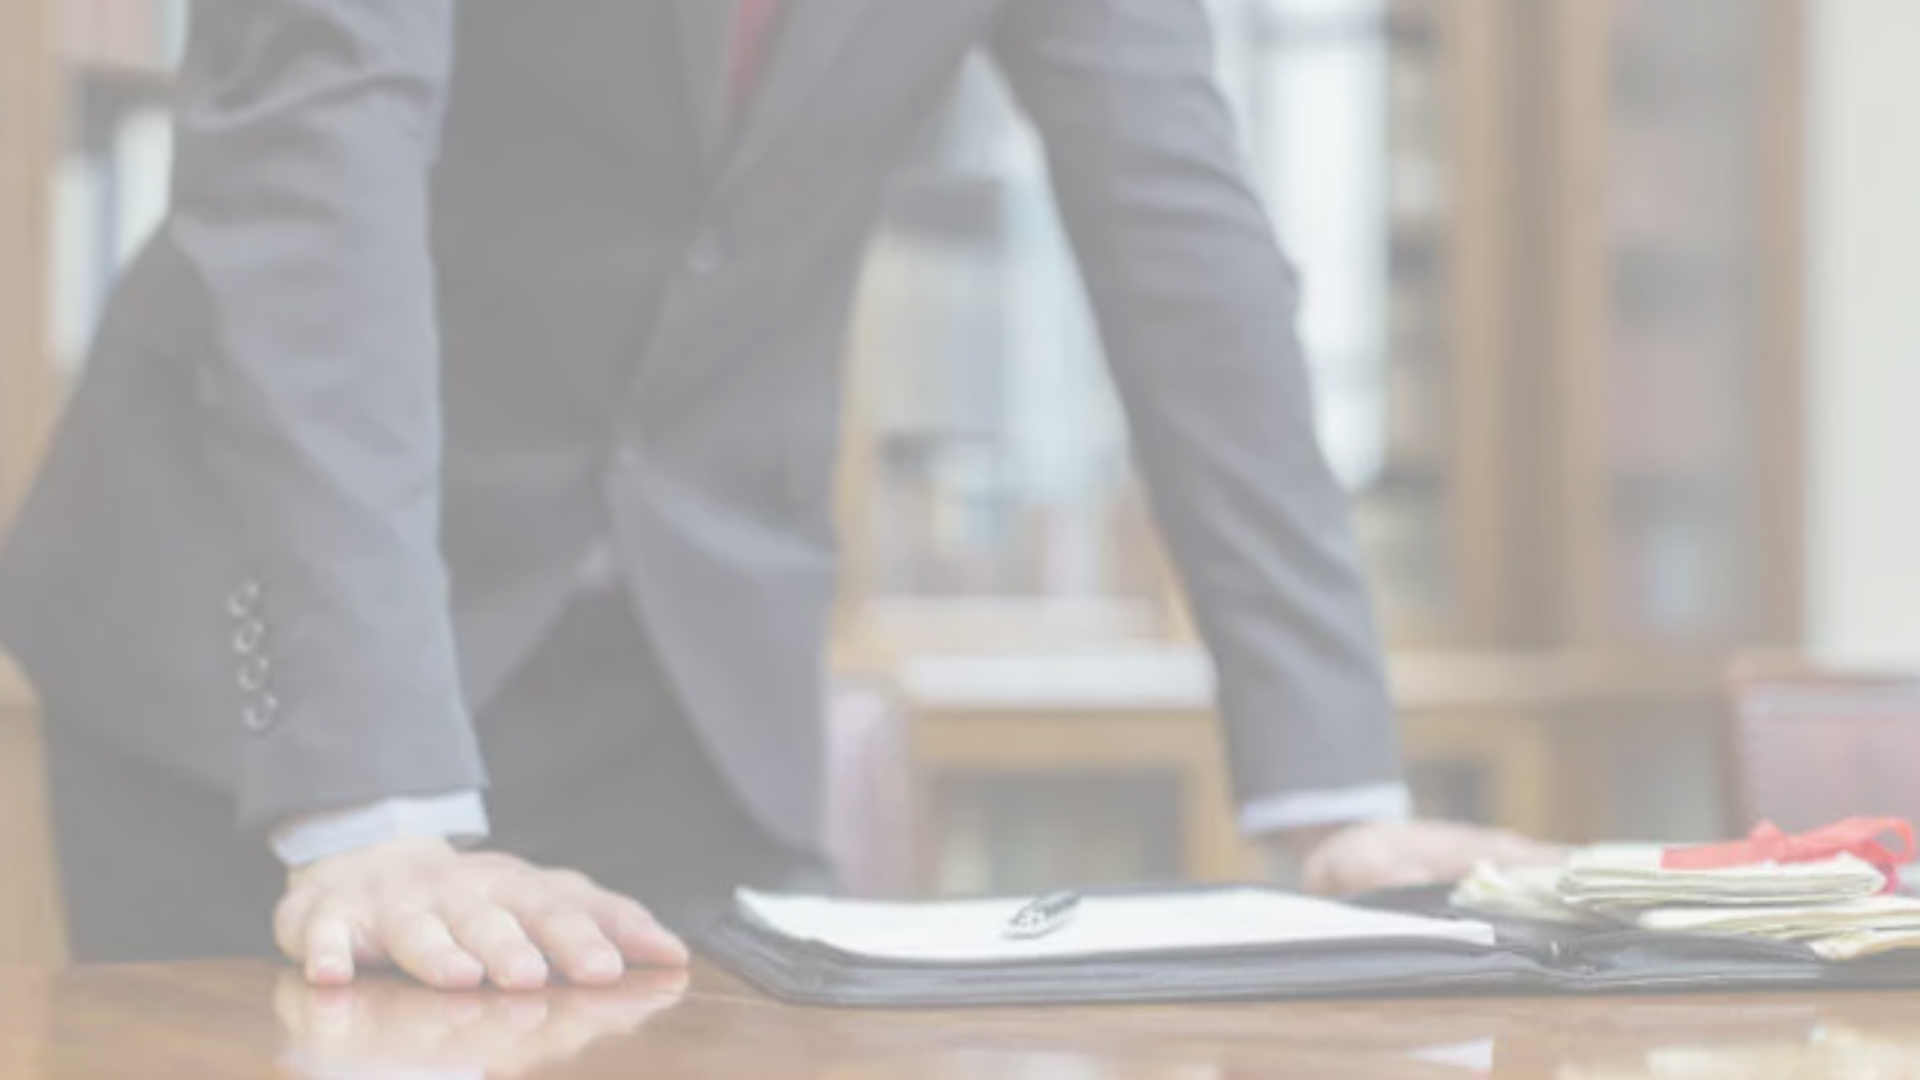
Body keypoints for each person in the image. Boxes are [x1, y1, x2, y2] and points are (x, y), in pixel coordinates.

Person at [0, 0, 1558, 990]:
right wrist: (380, 801)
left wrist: (1335, 789)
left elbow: (1182, 237)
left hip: (689, 672)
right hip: (271, 663)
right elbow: (313, 158)